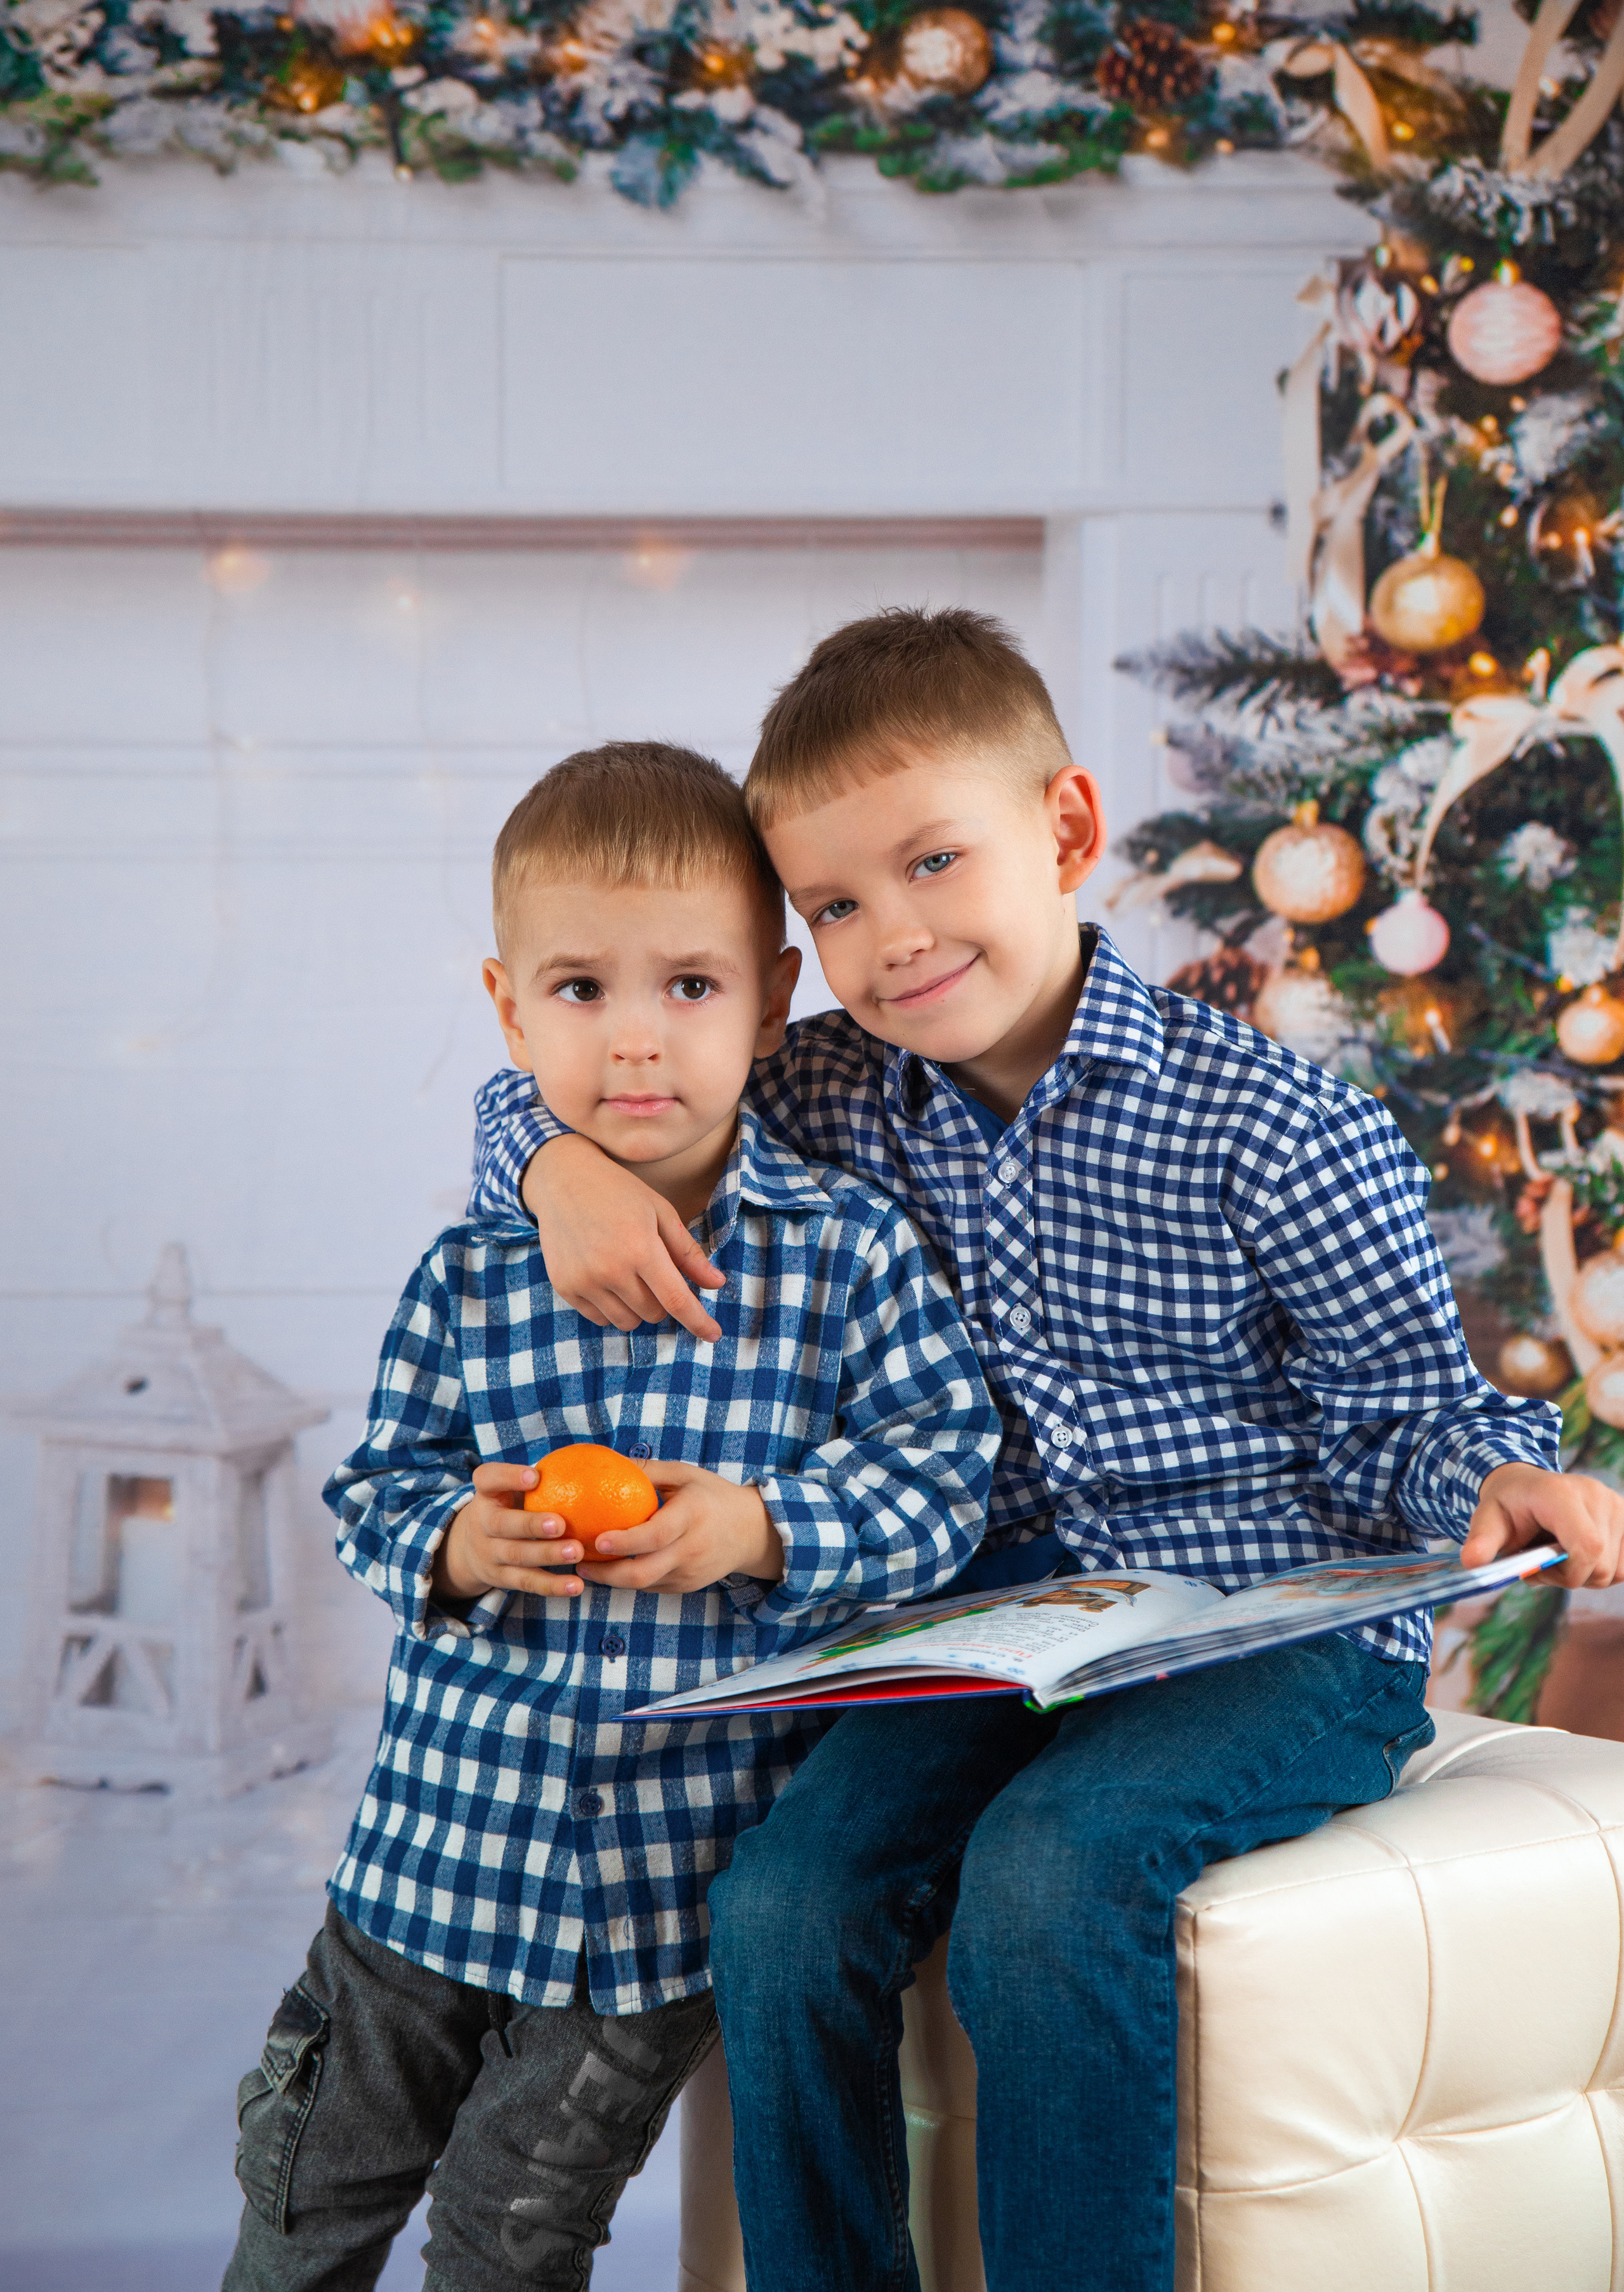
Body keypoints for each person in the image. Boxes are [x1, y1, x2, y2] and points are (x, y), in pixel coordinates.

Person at [469, 609, 1624, 2292]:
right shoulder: (835, 1095)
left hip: (1274, 1627)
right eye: (840, 905)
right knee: (783, 1900)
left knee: (1051, 1871)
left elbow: (1410, 1413)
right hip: (993, 1627)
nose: (895, 936)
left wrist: (1498, 1478)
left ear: (1068, 831)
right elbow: (608, 1080)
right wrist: (552, 1165)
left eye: (936, 861)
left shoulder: (1275, 1123)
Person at [223, 741, 999, 2292]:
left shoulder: (847, 1255)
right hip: (426, 1866)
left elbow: (941, 1476)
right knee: (308, 2193)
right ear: (509, 1009)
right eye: (582, 991)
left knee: (512, 2239)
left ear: (774, 1001)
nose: (636, 1043)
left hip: (652, 1909)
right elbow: (373, 1486)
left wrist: (764, 1527)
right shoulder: (470, 1272)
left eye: (691, 988)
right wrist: (448, 1540)